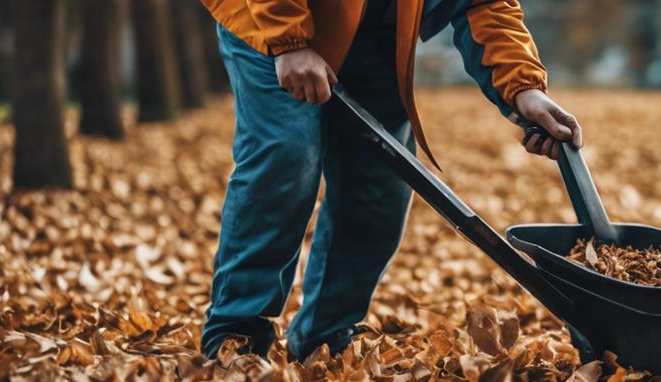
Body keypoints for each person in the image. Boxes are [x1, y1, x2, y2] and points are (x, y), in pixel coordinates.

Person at [199, 0, 583, 360]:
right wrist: (287, 41)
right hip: (267, 15)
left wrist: (524, 89)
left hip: (378, 27)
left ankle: (325, 334)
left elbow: (482, 4)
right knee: (286, 156)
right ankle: (237, 327)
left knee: (380, 184)